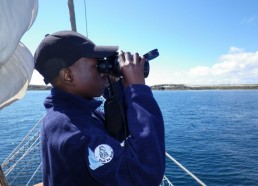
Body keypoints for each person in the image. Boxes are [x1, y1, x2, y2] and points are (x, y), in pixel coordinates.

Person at [34, 30, 165, 186]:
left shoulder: (77, 113)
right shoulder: (72, 128)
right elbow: (144, 175)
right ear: (68, 76)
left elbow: (116, 131)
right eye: (98, 66)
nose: (104, 71)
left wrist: (115, 88)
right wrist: (137, 90)